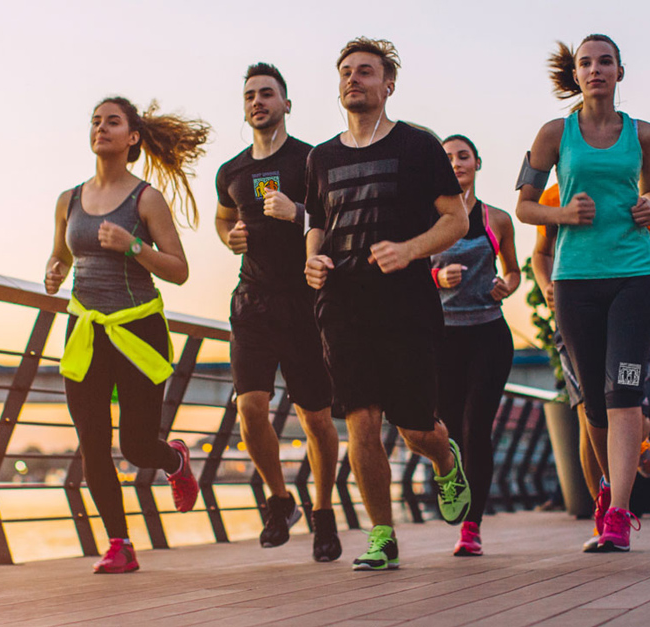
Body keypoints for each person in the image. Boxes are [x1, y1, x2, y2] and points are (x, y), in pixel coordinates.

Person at [303, 37, 471, 571]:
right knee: (361, 422)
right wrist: (313, 261)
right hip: (343, 306)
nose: (354, 79)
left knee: (415, 427)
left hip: (405, 306)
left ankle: (446, 459)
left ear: (388, 85)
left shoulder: (418, 146)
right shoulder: (320, 157)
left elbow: (457, 219)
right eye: (347, 72)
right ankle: (382, 535)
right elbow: (317, 224)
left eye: (367, 72)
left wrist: (409, 250)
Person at [515, 36, 650, 553]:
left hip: (634, 277)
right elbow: (525, 206)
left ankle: (620, 514)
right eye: (586, 63)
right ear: (575, 75)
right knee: (595, 409)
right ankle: (606, 491)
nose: (596, 69)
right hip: (575, 281)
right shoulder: (555, 133)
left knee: (624, 395)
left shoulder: (643, 135)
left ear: (620, 72)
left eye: (605, 62)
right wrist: (563, 215)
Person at [45, 96, 207, 574]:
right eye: (95, 121)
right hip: (86, 332)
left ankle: (174, 461)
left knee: (136, 446)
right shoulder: (68, 200)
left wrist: (133, 244)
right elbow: (62, 256)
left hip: (138, 331)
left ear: (132, 137)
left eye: (112, 122)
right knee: (92, 444)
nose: (100, 128)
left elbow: (179, 270)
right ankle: (120, 544)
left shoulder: (145, 199)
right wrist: (54, 273)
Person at [214, 63, 342, 562]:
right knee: (249, 407)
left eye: (267, 94)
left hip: (305, 304)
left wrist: (299, 214)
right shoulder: (232, 171)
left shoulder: (312, 160)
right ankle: (279, 499)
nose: (257, 102)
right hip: (252, 302)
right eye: (250, 95)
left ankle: (324, 510)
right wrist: (230, 238)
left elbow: (337, 217)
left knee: (316, 419)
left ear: (286, 104)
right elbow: (226, 219)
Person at [532, 183, 650, 551]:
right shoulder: (554, 197)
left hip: (630, 310)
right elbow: (541, 253)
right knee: (589, 413)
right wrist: (546, 283)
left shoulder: (632, 193)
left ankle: (620, 504)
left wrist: (626, 268)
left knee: (629, 407)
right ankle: (606, 501)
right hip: (575, 310)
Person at [432, 134, 521, 556]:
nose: (455, 164)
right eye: (447, 158)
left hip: (488, 333)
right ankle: (455, 492)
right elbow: (406, 271)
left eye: (462, 156)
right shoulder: (425, 218)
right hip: (442, 338)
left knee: (475, 429)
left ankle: (471, 526)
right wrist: (436, 278)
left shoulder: (496, 218)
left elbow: (515, 271)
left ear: (477, 163)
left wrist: (507, 285)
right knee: (447, 432)